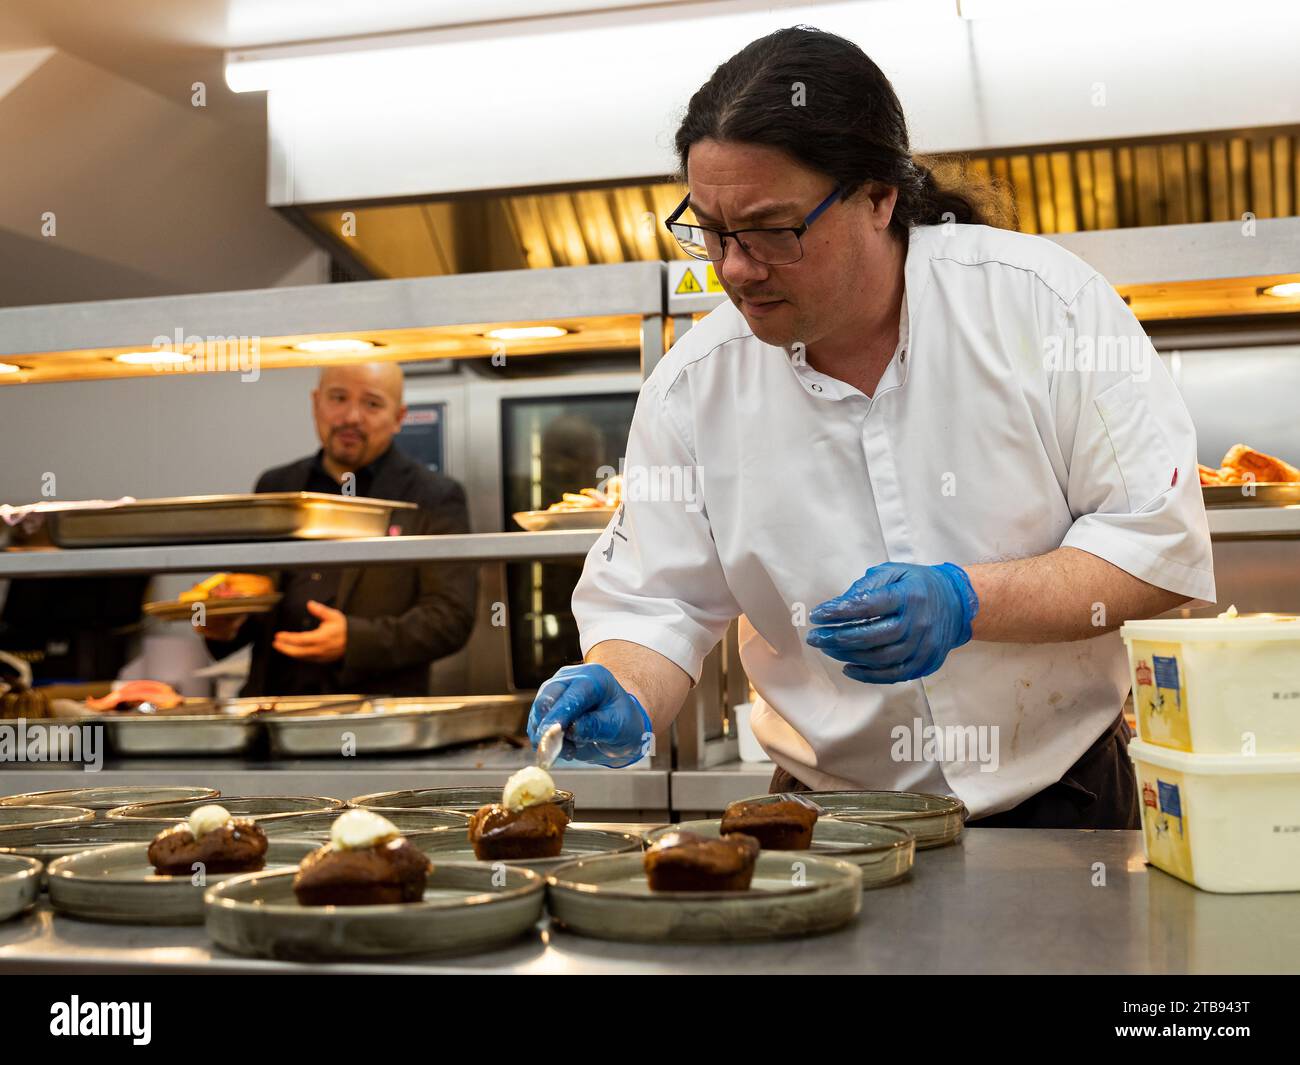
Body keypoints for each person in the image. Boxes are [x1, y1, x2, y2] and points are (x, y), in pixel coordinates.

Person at [526, 27, 1215, 829]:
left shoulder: (1045, 305)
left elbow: (1157, 544)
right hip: (825, 823)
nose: (735, 267)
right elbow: (657, 606)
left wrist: (966, 599)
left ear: (880, 196)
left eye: (773, 231)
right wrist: (625, 683)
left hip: (1063, 803)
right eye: (711, 231)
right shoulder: (692, 390)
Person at [201, 363, 475, 696]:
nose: (351, 417)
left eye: (372, 404)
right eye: (338, 398)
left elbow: (451, 618)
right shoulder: (276, 485)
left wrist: (355, 639)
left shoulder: (433, 496)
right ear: (316, 403)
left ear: (399, 417)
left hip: (378, 718)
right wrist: (223, 623)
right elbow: (253, 598)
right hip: (273, 712)